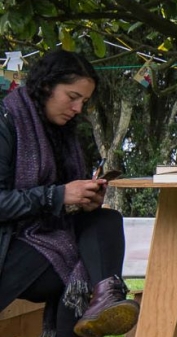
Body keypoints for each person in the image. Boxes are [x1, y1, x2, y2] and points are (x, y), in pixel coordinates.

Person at [0, 50, 139, 337]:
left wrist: (83, 200)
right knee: (84, 267)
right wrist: (58, 196)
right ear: (47, 85)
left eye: (84, 102)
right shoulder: (7, 120)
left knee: (106, 220)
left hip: (44, 238)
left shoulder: (63, 133)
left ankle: (105, 299)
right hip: (9, 247)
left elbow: (60, 201)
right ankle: (102, 299)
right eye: (72, 96)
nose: (77, 108)